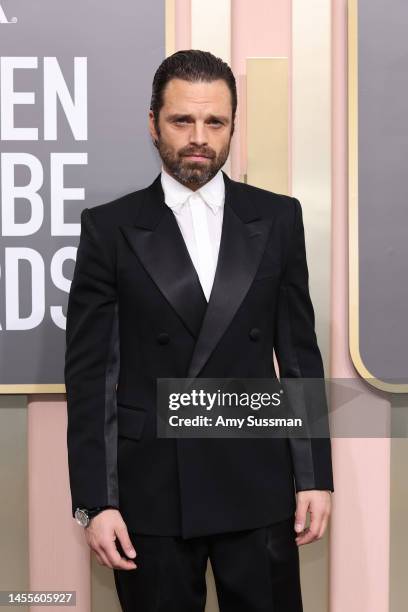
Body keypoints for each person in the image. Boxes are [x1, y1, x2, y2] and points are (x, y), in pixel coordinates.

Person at [65, 49, 334, 612]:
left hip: (257, 482)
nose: (198, 137)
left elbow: (300, 355)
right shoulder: (110, 228)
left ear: (233, 125)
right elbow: (91, 379)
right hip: (150, 493)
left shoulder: (278, 218)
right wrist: (96, 502)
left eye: (215, 122)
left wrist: (314, 477)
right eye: (182, 120)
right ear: (152, 123)